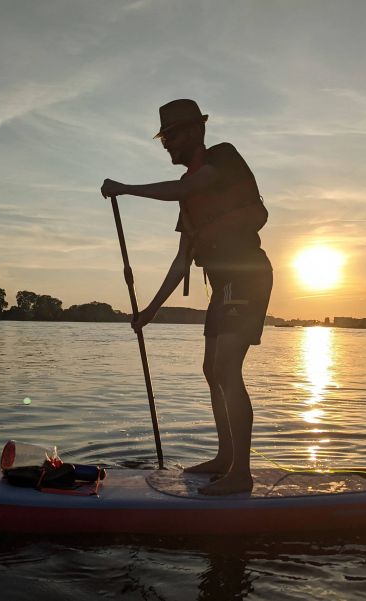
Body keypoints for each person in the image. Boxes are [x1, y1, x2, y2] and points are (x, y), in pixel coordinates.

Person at [101, 99, 273, 495]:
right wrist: (148, 312)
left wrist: (125, 189)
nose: (167, 144)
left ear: (195, 132)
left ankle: (240, 475)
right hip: (223, 286)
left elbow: (187, 185)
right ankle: (225, 458)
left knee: (228, 369)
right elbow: (181, 264)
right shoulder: (188, 205)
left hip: (247, 278)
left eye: (173, 136)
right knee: (212, 371)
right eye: (164, 138)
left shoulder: (223, 158)